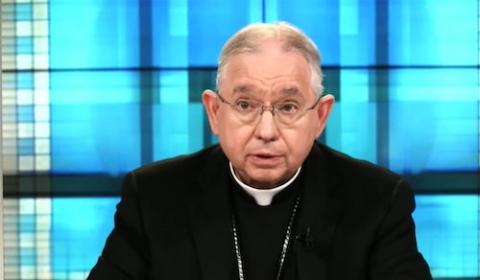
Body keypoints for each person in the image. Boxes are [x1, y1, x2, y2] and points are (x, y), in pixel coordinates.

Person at [87, 22, 432, 280]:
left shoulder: (378, 200)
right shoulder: (153, 196)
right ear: (214, 112)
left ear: (321, 116)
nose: (266, 132)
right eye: (245, 104)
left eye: (288, 107)